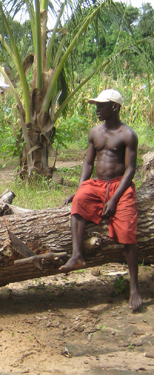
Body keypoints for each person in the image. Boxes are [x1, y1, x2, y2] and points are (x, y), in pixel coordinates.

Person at [60, 89, 142, 311]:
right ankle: (78, 255)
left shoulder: (128, 134)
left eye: (101, 105)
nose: (97, 109)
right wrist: (79, 189)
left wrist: (115, 199)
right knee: (78, 204)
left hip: (120, 186)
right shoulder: (94, 132)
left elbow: (130, 169)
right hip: (97, 185)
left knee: (128, 235)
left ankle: (134, 287)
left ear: (114, 107)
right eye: (96, 105)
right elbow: (88, 164)